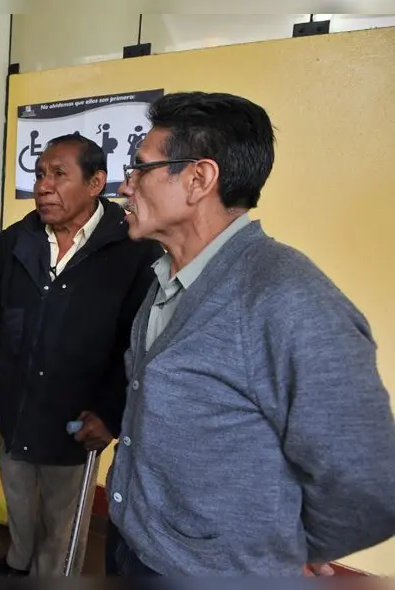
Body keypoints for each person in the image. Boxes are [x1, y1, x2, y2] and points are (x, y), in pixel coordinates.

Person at [107, 91, 395, 576]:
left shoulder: (288, 298)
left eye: (140, 168)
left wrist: (287, 553)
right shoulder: (164, 277)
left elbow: (369, 484)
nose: (126, 185)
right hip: (134, 549)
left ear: (199, 179)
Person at [0, 134, 162, 577]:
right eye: (40, 173)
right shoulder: (19, 237)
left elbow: (139, 344)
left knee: (61, 529)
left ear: (96, 182)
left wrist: (111, 414)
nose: (43, 186)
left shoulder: (133, 250)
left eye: (59, 174)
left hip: (78, 424)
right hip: (16, 410)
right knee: (19, 505)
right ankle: (18, 564)